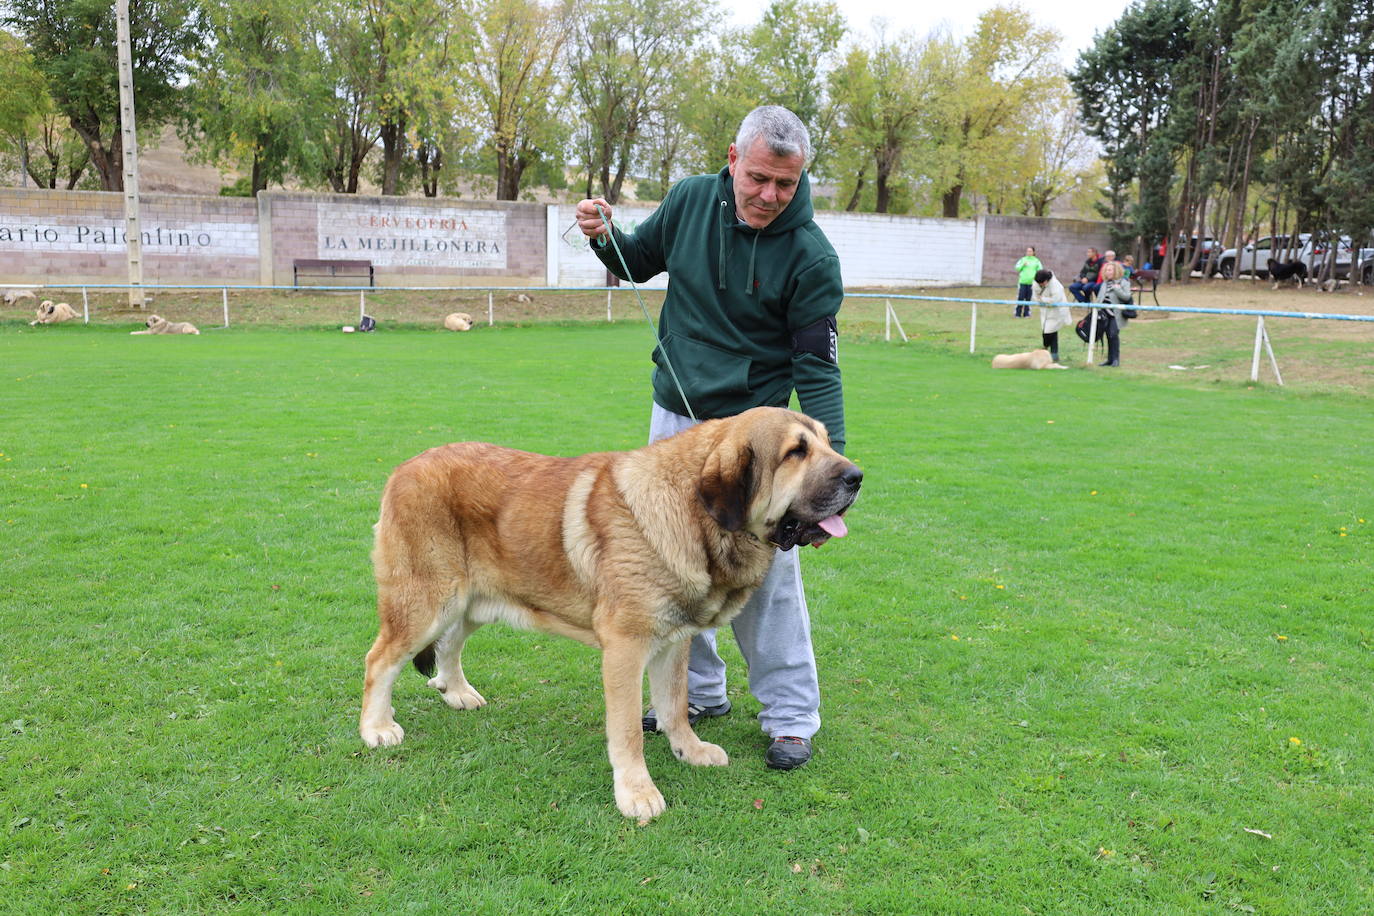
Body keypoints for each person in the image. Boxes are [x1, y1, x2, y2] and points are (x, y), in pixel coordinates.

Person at [574, 105, 843, 772]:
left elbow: (817, 366)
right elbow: (636, 261)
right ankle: (695, 696)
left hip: (755, 440)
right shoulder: (692, 199)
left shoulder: (811, 255)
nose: (769, 196)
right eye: (757, 179)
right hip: (673, 423)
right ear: (733, 159)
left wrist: (827, 473)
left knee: (767, 577)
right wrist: (602, 235)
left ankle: (790, 716)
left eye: (785, 184)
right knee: (670, 565)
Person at [1094, 259, 1132, 367]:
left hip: (1116, 314)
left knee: (1113, 334)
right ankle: (1109, 360)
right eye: (1106, 270)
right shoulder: (1104, 283)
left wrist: (1117, 289)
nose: (1108, 272)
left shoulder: (1124, 282)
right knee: (1108, 336)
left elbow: (1127, 296)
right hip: (1104, 314)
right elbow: (1100, 298)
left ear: (1116, 271)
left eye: (1110, 270)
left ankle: (1116, 359)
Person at [1032, 268, 1072, 363]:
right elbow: (1035, 297)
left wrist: (1043, 299)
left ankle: (1049, 351)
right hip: (1045, 311)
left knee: (1051, 331)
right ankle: (1053, 354)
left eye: (1042, 283)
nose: (1041, 285)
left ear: (1046, 280)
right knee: (1047, 331)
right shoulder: (1036, 283)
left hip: (1057, 311)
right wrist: (1042, 300)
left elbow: (1055, 299)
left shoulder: (1055, 285)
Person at [1014, 246, 1042, 318]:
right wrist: (1023, 265)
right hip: (1022, 282)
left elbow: (1040, 270)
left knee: (1028, 298)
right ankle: (1017, 313)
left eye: (1030, 251)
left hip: (1031, 283)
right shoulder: (1023, 259)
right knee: (1020, 297)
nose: (1028, 252)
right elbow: (1017, 268)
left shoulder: (1036, 261)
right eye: (1027, 251)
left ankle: (1027, 314)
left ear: (1033, 252)